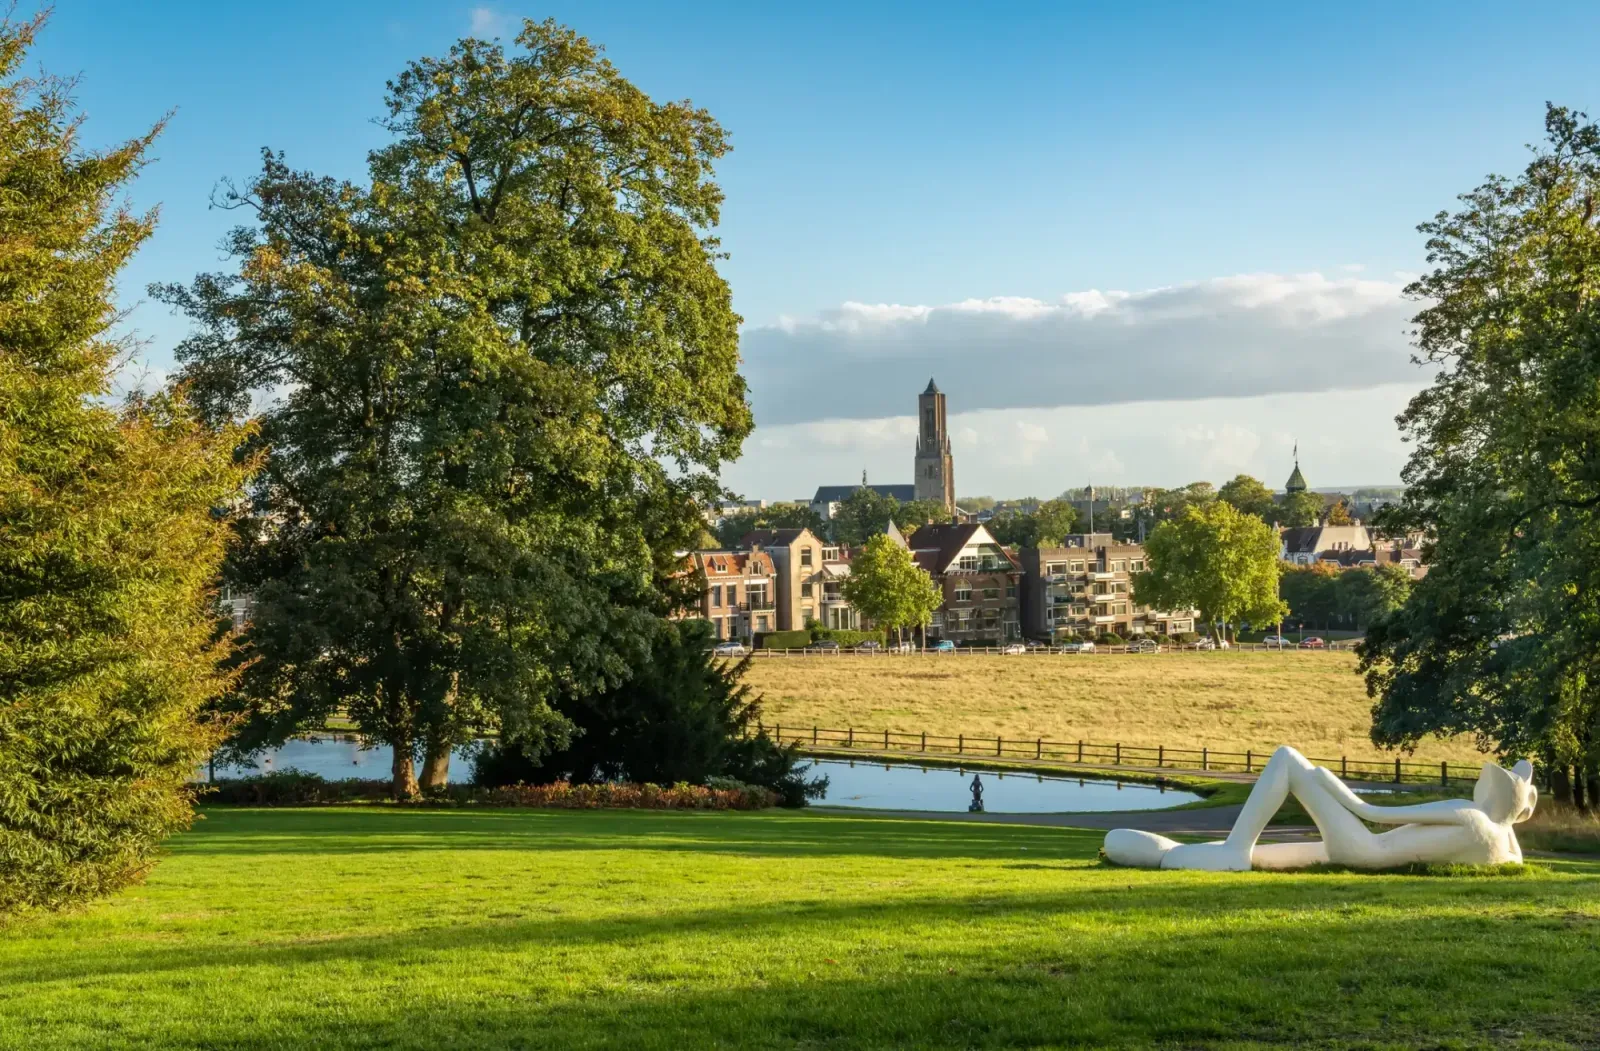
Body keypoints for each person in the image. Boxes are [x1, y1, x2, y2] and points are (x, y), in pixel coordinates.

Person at [1104, 745, 1537, 871]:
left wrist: (1330, 784)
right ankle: (1177, 856)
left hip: (1365, 850)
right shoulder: (1505, 842)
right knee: (1266, 858)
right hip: (1369, 851)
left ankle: (1233, 850)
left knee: (1288, 760)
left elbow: (1373, 813)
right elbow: (1513, 866)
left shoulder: (1472, 815)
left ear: (1492, 795)